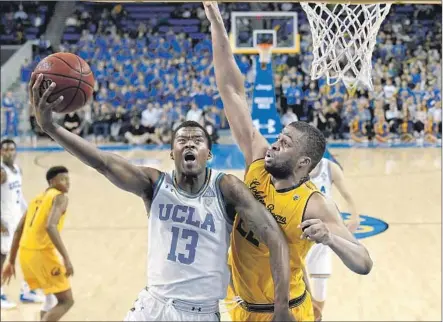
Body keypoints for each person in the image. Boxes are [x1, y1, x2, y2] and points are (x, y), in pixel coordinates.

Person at [28, 73, 294, 321]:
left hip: (200, 312)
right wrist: (50, 127)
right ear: (171, 153)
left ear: (209, 155)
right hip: (152, 306)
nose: (189, 143)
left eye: (197, 140)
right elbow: (103, 162)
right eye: (182, 140)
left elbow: (274, 235)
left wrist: (281, 304)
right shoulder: (153, 184)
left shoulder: (226, 188)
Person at [204, 2, 373, 321]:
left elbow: (363, 262)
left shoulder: (315, 204)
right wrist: (216, 24)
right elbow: (230, 89)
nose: (273, 145)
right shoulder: (256, 162)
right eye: (278, 138)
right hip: (240, 307)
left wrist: (330, 238)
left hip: (285, 312)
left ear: (303, 163)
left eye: (284, 143)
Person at [2, 166, 74, 321]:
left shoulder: (36, 199)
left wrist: (12, 261)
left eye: (69, 179)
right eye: (63, 179)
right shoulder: (60, 197)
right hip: (42, 253)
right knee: (66, 300)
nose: (68, 183)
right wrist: (66, 259)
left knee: (50, 299)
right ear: (52, 181)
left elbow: (18, 231)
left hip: (25, 254)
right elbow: (50, 226)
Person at [306, 158, 360, 321]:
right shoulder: (296, 164)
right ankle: (305, 313)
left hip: (323, 227)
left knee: (320, 280)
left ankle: (317, 316)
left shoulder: (329, 167)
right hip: (300, 226)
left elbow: (347, 194)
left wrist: (354, 214)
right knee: (296, 277)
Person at [1, 139, 44, 309]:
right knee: (3, 258)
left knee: (28, 253)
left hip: (18, 219)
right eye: (5, 150)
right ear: (0, 153)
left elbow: (18, 195)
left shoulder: (17, 169)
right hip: (4, 222)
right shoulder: (2, 172)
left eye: (12, 149)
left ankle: (27, 291)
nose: (9, 152)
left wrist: (30, 212)